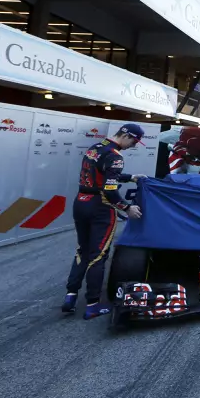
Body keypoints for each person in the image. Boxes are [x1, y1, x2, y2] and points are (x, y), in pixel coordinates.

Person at [62, 124, 147, 319]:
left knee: (82, 250)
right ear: (126, 135)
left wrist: (130, 177)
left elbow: (100, 174)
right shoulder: (116, 156)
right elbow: (109, 189)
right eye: (134, 141)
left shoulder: (96, 147)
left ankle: (70, 296)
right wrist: (127, 207)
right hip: (100, 207)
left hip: (81, 202)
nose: (133, 146)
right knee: (98, 255)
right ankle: (92, 305)